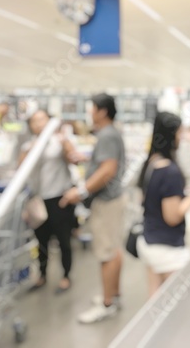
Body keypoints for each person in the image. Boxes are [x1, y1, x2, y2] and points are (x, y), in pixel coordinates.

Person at [60, 93, 126, 324]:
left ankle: (107, 304)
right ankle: (113, 295)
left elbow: (107, 170)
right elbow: (105, 164)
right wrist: (87, 159)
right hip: (113, 200)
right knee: (113, 250)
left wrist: (81, 191)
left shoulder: (107, 135)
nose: (90, 112)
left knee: (105, 253)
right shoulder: (110, 134)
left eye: (92, 108)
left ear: (102, 111)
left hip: (106, 202)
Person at [137, 112, 190, 297]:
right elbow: (173, 216)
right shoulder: (170, 172)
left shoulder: (151, 164)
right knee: (177, 305)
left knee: (154, 301)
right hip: (168, 249)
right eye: (179, 133)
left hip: (149, 241)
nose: (181, 138)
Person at [20, 110, 84, 294]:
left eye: (42, 120)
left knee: (64, 239)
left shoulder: (59, 142)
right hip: (38, 200)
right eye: (34, 121)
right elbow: (20, 169)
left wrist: (64, 142)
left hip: (59, 198)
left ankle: (66, 275)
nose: (39, 124)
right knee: (41, 241)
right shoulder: (28, 146)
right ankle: (42, 275)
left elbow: (74, 160)